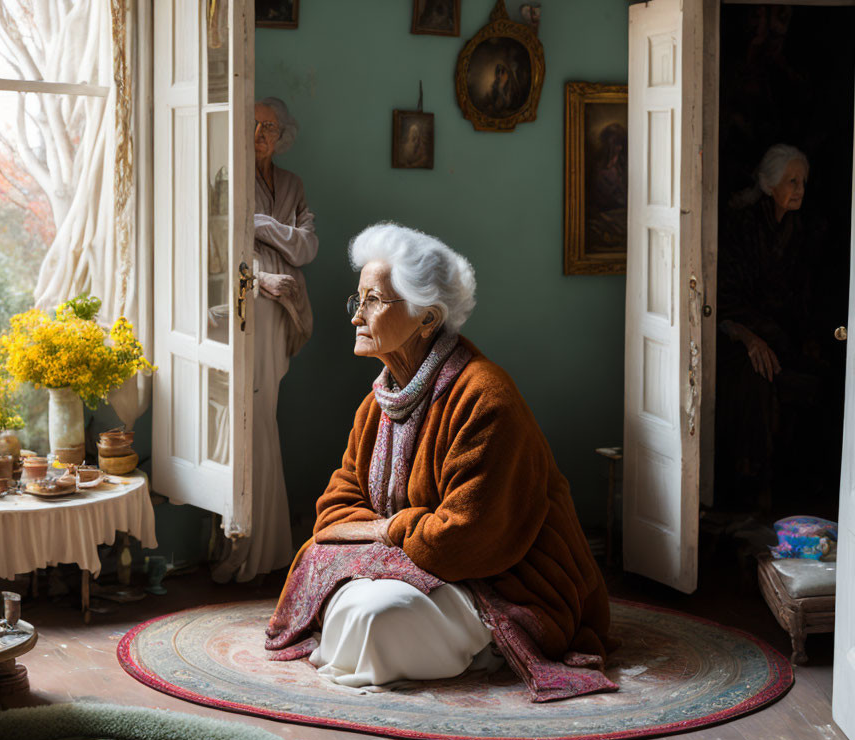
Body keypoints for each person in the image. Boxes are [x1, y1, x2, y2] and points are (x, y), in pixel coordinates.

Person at [263, 223, 615, 701]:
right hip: (424, 559)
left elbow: (465, 539)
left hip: (499, 580)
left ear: (426, 318)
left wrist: (386, 530)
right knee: (346, 601)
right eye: (357, 300)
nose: (355, 316)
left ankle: (493, 646)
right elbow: (333, 510)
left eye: (373, 301)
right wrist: (399, 533)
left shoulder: (486, 398)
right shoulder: (381, 401)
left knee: (370, 618)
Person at [211, 97, 317, 583]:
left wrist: (261, 225)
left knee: (265, 416)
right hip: (242, 309)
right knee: (248, 420)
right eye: (253, 125)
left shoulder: (291, 184)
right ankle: (244, 547)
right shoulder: (225, 180)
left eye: (270, 127)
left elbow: (308, 246)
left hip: (282, 314)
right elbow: (216, 253)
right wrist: (259, 282)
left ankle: (268, 548)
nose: (261, 134)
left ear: (283, 135)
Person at [716, 143, 838, 513]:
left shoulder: (800, 230)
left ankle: (810, 487)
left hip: (784, 336)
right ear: (770, 185)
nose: (800, 188)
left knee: (827, 378)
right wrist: (753, 338)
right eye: (792, 181)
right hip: (741, 334)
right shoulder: (743, 228)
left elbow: (804, 295)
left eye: (803, 181)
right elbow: (726, 299)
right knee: (757, 379)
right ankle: (754, 491)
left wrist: (811, 339)